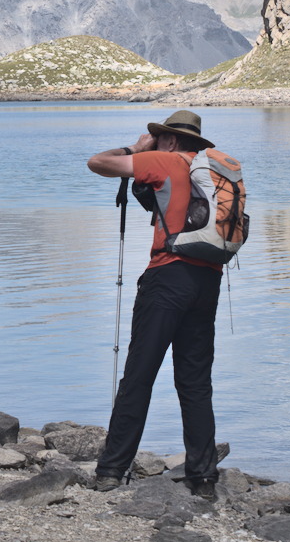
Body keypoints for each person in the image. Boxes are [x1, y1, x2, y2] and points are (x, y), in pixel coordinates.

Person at [86, 110, 223, 501]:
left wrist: (135, 148)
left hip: (168, 278)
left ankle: (111, 470)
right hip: (208, 280)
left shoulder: (163, 159)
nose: (156, 141)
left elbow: (98, 163)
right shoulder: (212, 171)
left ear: (170, 140)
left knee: (140, 374)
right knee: (195, 382)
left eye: (159, 137)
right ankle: (203, 476)